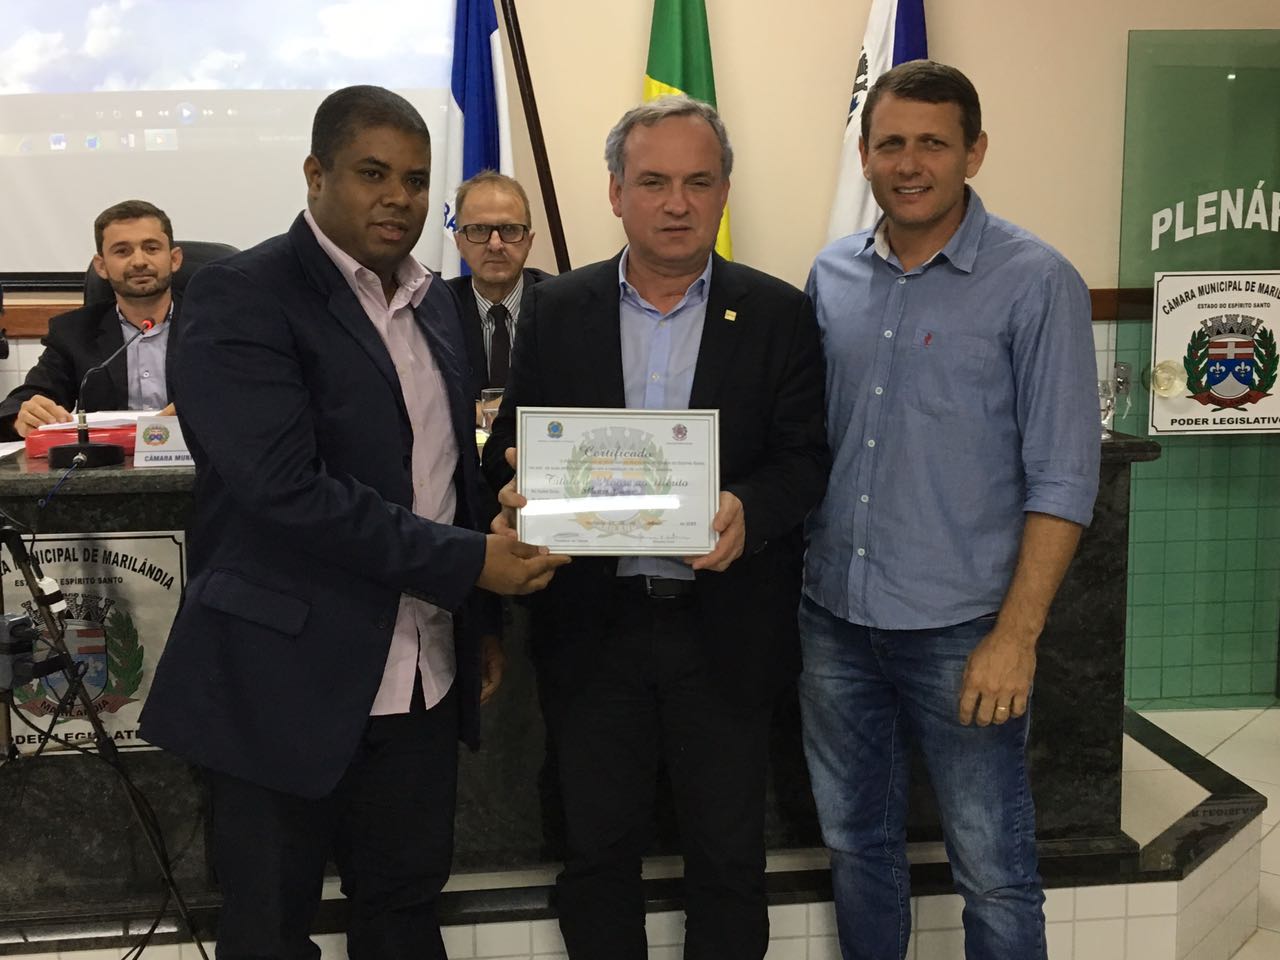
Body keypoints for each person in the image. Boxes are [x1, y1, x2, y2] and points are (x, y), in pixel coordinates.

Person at [139, 85, 569, 960]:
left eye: (415, 180)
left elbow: (447, 477)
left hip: (420, 679)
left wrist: (478, 615)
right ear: (315, 174)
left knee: (404, 915)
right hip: (282, 677)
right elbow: (286, 490)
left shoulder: (435, 303)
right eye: (373, 174)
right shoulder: (240, 294)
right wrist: (469, 564)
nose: (397, 198)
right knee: (269, 929)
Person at [483, 95, 829, 960]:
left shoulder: (779, 312)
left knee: (729, 861)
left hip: (725, 632)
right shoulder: (557, 308)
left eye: (698, 182)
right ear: (615, 192)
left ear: (724, 192)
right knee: (597, 857)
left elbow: (805, 460)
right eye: (654, 182)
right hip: (593, 631)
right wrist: (519, 487)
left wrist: (751, 509)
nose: (677, 203)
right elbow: (509, 447)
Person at [800, 60, 1100, 960]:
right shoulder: (830, 276)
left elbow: (1064, 477)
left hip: (965, 632)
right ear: (863, 154)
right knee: (855, 846)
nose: (910, 163)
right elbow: (804, 441)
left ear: (975, 152)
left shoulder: (1037, 280)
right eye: (890, 143)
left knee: (994, 868)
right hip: (834, 620)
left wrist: (1017, 637)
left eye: (933, 143)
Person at [0, 200, 181, 439]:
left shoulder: (214, 325)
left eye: (151, 248)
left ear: (174, 259)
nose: (139, 261)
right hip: (108, 459)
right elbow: (29, 398)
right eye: (122, 251)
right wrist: (22, 417)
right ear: (101, 266)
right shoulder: (73, 332)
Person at [447, 170, 551, 397]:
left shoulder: (562, 307)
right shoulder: (439, 309)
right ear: (458, 242)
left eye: (509, 229)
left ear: (529, 241)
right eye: (479, 229)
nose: (495, 245)